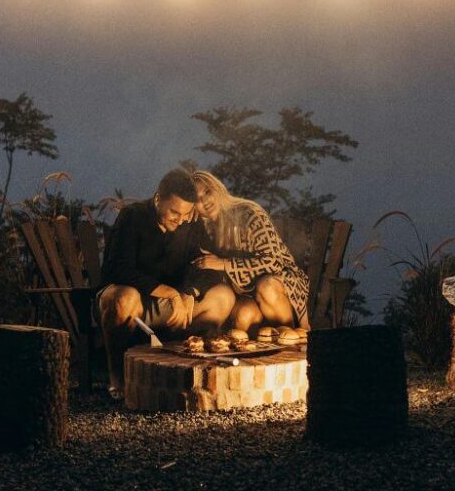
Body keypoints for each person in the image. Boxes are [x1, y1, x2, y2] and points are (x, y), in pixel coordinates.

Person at [98, 169, 234, 398]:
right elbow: (122, 271)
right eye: (174, 212)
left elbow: (207, 266)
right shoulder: (133, 217)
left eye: (186, 214)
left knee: (224, 296)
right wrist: (171, 294)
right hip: (131, 303)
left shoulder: (189, 222)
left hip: (171, 310)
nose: (180, 220)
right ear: (158, 198)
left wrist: (189, 293)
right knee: (125, 298)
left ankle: (178, 369)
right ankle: (118, 380)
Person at [189, 170, 311, 332]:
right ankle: (257, 354)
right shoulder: (205, 229)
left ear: (218, 189)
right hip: (245, 293)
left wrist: (224, 264)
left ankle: (293, 341)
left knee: (266, 288)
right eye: (196, 199)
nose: (204, 201)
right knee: (244, 315)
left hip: (281, 282)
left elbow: (273, 262)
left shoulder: (249, 213)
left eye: (208, 192)